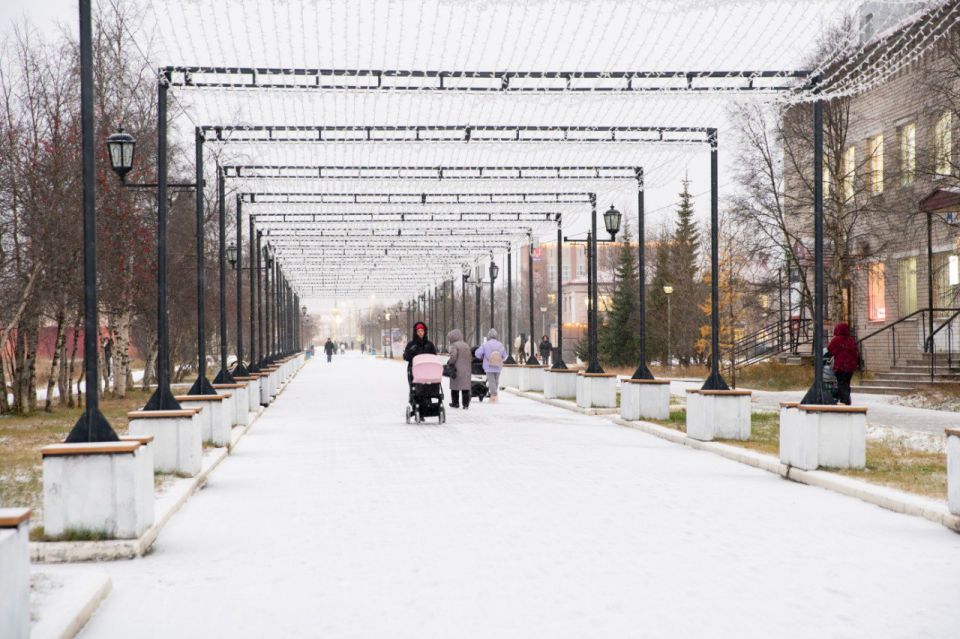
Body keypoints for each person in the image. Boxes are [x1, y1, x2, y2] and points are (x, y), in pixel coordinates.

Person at [827, 322, 858, 405]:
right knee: (847, 383)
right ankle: (847, 399)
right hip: (851, 366)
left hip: (841, 366)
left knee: (841, 383)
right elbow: (855, 351)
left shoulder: (836, 340)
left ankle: (845, 401)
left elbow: (830, 349)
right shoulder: (851, 340)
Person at [475, 329, 508, 403]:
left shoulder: (485, 344)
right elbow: (505, 356)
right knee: (496, 381)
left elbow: (477, 354)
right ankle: (494, 395)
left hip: (488, 366)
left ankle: (494, 396)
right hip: (498, 366)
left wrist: (482, 356)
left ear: (489, 336)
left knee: (491, 381)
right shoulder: (500, 345)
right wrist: (499, 359)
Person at [402, 321, 437, 387]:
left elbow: (434, 357)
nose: (420, 333)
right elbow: (405, 357)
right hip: (414, 371)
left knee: (427, 389)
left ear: (425, 332)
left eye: (422, 331)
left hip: (427, 371)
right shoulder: (411, 344)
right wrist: (410, 351)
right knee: (415, 390)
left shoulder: (429, 344)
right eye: (418, 331)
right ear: (415, 332)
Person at [445, 329, 473, 409]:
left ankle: (455, 403)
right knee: (465, 387)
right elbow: (470, 357)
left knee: (455, 386)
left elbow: (453, 357)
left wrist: (449, 362)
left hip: (457, 369)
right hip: (467, 369)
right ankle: (465, 404)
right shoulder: (466, 345)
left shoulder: (454, 345)